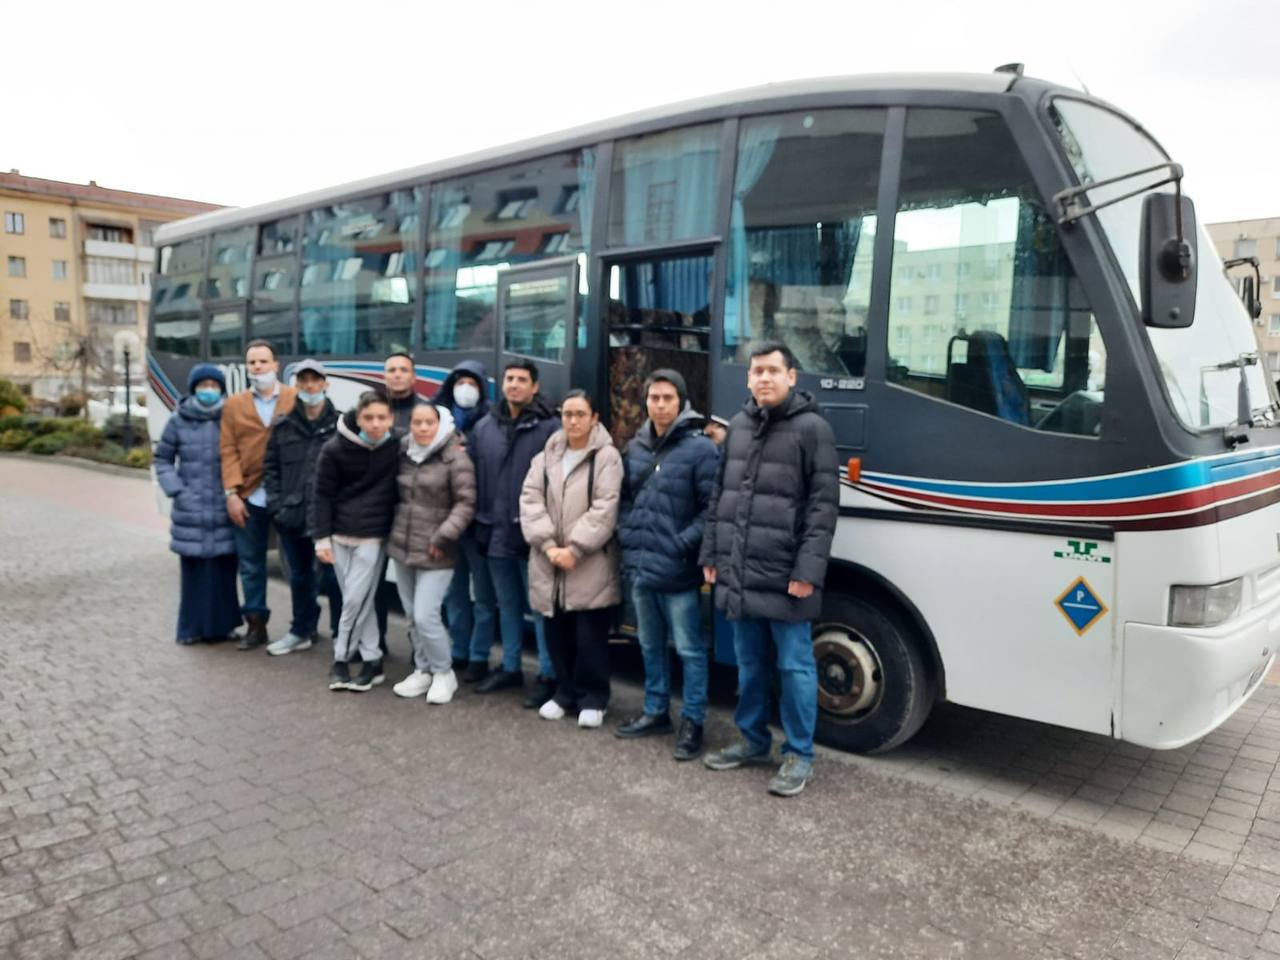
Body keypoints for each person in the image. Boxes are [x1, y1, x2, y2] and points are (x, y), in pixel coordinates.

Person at [699, 341, 838, 798]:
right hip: (740, 569)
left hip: (786, 576)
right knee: (750, 664)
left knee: (796, 666)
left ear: (792, 377)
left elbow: (822, 508)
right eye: (757, 371)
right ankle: (754, 741)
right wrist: (711, 556)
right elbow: (719, 499)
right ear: (748, 378)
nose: (764, 378)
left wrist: (808, 571)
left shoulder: (813, 429)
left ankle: (799, 754)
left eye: (773, 371)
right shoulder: (738, 426)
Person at [614, 370, 719, 759]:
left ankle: (693, 722)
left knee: (690, 650)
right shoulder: (636, 446)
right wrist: (627, 534)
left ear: (681, 402)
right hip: (640, 566)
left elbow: (711, 510)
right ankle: (655, 710)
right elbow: (624, 499)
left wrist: (681, 544)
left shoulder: (701, 449)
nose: (659, 404)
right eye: (654, 397)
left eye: (667, 398)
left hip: (677, 571)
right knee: (649, 644)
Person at [520, 390, 622, 728]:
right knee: (556, 632)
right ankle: (564, 693)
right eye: (567, 414)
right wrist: (549, 545)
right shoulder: (548, 453)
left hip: (588, 562)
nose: (573, 421)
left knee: (588, 635)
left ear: (595, 418)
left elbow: (605, 507)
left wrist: (574, 548)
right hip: (549, 560)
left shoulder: (606, 456)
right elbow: (530, 498)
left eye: (581, 414)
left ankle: (593, 697)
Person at [469, 360, 560, 705]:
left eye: (522, 380)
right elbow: (475, 477)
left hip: (533, 535)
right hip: (494, 532)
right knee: (506, 606)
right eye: (509, 378)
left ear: (534, 387)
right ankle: (510, 668)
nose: (515, 385)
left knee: (539, 608)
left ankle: (547, 674)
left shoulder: (550, 427)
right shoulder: (484, 427)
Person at [386, 403, 476, 704]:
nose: (423, 428)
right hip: (402, 545)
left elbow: (465, 503)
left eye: (429, 423)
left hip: (437, 550)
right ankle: (422, 670)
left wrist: (444, 536)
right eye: (417, 422)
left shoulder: (456, 458)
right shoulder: (403, 453)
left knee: (426, 616)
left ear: (440, 425)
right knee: (412, 616)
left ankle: (443, 673)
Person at [312, 390, 400, 692]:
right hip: (338, 536)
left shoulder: (396, 447)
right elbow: (321, 495)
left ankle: (340, 659)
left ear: (391, 419)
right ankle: (373, 660)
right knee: (358, 599)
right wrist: (321, 539)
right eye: (369, 418)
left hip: (372, 538)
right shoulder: (335, 448)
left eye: (382, 418)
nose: (375, 424)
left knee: (354, 599)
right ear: (357, 417)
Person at [154, 364, 242, 646]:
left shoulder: (230, 417)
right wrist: (176, 490)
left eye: (213, 386)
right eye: (202, 386)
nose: (208, 391)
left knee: (223, 572)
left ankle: (223, 627)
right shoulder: (178, 419)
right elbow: (162, 459)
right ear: (194, 389)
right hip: (190, 509)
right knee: (194, 574)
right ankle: (192, 628)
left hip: (223, 505)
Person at [220, 340, 297, 650]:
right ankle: (256, 625)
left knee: (298, 563)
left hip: (287, 496)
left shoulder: (294, 399)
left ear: (276, 365)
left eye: (263, 362)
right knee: (251, 565)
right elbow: (227, 449)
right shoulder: (234, 405)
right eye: (252, 363)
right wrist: (232, 493)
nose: (258, 368)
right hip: (249, 495)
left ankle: (303, 624)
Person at [262, 358, 340, 656]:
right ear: (296, 386)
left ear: (325, 384)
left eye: (315, 380)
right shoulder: (283, 425)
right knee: (299, 576)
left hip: (328, 519)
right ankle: (301, 630)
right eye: (304, 381)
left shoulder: (340, 424)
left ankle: (340, 636)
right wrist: (276, 508)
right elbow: (270, 469)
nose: (310, 386)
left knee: (333, 580)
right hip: (292, 515)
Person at [434, 361, 497, 676]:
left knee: (484, 596)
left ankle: (479, 655)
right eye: (460, 381)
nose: (466, 388)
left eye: (473, 382)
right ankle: (458, 649)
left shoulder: (490, 420)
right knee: (454, 593)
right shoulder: (436, 418)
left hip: (479, 523)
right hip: (447, 524)